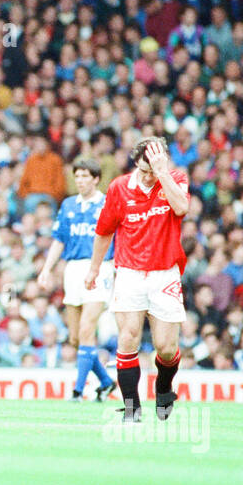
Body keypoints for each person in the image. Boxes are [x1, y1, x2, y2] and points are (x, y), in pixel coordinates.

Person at [87, 136, 190, 423]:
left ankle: (164, 386)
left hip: (165, 272)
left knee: (166, 348)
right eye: (143, 170)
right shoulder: (120, 187)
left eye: (152, 169)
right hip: (130, 272)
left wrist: (161, 173)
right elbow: (104, 230)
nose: (147, 177)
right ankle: (132, 407)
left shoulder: (175, 179)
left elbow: (181, 208)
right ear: (136, 164)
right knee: (128, 337)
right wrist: (95, 268)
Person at [37, 158, 118, 402]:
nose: (80, 180)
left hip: (100, 268)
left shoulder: (107, 203)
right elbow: (59, 239)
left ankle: (77, 391)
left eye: (85, 176)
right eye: (77, 176)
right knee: (75, 338)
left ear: (95, 179)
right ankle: (105, 382)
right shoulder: (69, 204)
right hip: (72, 270)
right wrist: (46, 269)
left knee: (86, 330)